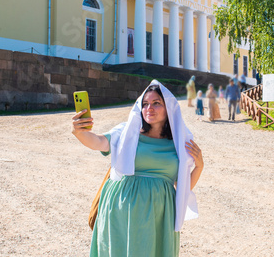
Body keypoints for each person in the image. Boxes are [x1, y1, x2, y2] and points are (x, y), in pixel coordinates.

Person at [72, 80, 203, 256]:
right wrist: (81, 132)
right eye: (145, 104)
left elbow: (182, 188)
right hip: (122, 209)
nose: (149, 108)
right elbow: (98, 142)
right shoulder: (127, 132)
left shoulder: (180, 143)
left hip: (160, 215)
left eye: (156, 103)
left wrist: (200, 165)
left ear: (169, 108)